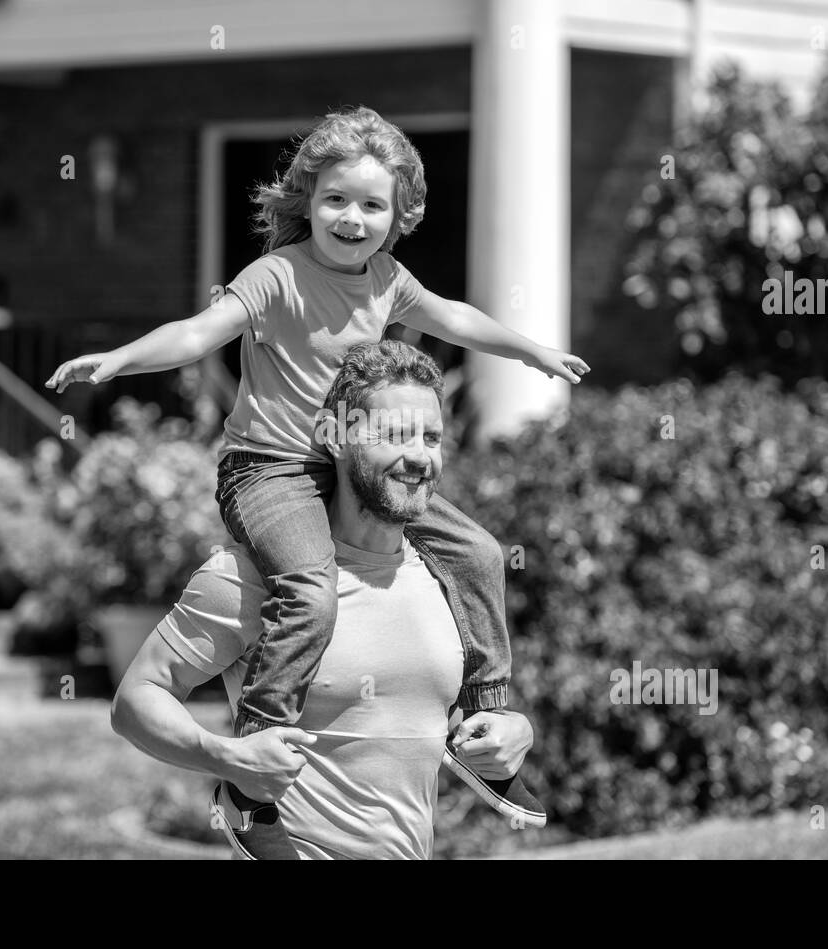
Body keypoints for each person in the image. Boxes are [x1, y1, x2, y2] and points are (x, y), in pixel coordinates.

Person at [48, 106, 587, 858]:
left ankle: (482, 725)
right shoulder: (277, 276)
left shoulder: (388, 281)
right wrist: (119, 358)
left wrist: (532, 352)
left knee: (482, 553)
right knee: (308, 583)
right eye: (337, 199)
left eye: (373, 205)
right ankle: (254, 762)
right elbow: (199, 334)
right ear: (308, 201)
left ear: (400, 216)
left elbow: (457, 318)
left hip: (350, 460)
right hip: (269, 466)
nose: (352, 217)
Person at [111, 341, 538, 859]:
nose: (419, 456)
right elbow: (136, 700)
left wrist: (510, 732)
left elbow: (411, 719)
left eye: (431, 437)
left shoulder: (447, 580)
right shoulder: (256, 578)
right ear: (336, 439)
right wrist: (227, 757)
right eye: (394, 434)